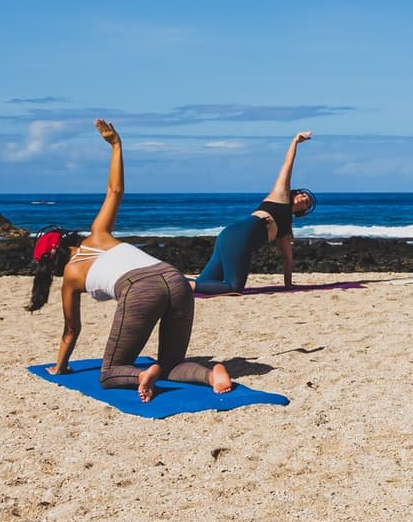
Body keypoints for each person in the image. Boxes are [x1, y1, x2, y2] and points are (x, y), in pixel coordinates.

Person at [42, 120, 235, 402]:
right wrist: (116, 145)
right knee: (172, 364)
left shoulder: (70, 278)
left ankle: (141, 376)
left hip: (140, 289)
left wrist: (60, 367)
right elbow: (115, 191)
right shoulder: (99, 233)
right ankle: (211, 374)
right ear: (68, 241)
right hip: (174, 277)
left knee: (110, 374)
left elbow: (71, 330)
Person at [195, 131, 316, 295]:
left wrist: (289, 286)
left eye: (307, 202)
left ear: (303, 211)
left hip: (231, 236)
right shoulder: (280, 195)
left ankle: (170, 283)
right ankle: (187, 286)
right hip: (240, 236)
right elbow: (287, 165)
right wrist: (295, 141)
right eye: (303, 195)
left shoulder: (285, 228)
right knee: (234, 287)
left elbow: (287, 258)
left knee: (203, 283)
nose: (304, 199)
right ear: (295, 193)